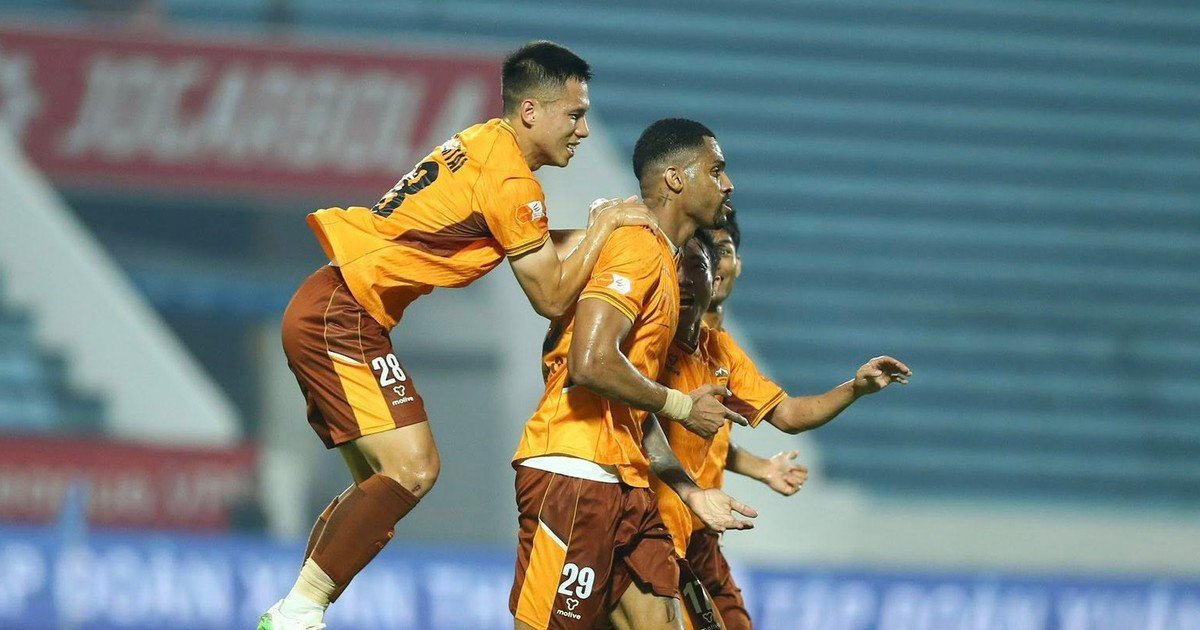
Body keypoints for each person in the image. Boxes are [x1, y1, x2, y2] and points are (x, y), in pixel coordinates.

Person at [258, 41, 655, 630]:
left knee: (380, 490)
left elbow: (529, 247)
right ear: (530, 112)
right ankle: (298, 612)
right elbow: (550, 296)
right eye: (574, 115)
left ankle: (294, 611)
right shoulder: (511, 181)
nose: (584, 130)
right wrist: (604, 225)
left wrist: (599, 237)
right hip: (342, 313)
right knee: (412, 469)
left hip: (335, 304)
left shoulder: (485, 143)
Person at [510, 118, 755, 630]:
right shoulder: (636, 247)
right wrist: (682, 405)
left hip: (627, 481)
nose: (728, 184)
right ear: (675, 178)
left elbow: (631, 404)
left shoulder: (662, 260)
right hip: (575, 473)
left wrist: (690, 491)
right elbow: (590, 362)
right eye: (716, 170)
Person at [657, 208, 912, 629]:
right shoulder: (652, 337)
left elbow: (784, 416)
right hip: (648, 520)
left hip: (698, 525)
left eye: (722, 253)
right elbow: (640, 427)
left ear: (734, 265)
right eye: (701, 257)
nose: (714, 267)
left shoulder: (722, 351)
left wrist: (855, 387)